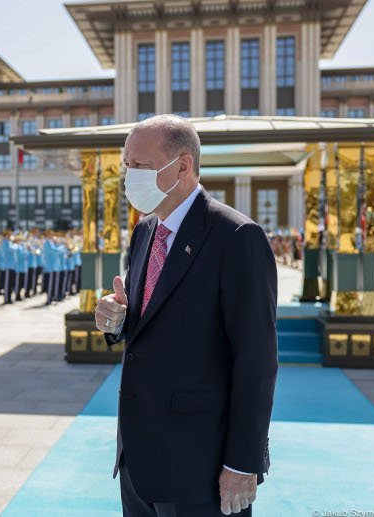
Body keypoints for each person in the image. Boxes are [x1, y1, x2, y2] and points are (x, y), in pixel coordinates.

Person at [94, 114, 277, 517]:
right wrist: (117, 320)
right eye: (127, 166)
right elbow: (148, 321)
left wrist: (242, 462)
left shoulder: (236, 237)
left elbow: (256, 361)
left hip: (200, 465)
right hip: (137, 460)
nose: (130, 177)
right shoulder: (145, 231)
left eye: (139, 166)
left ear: (182, 166)